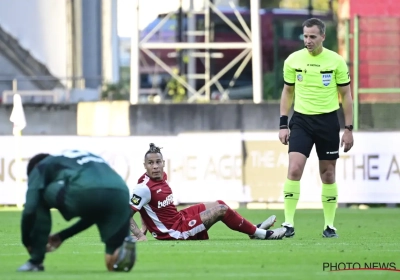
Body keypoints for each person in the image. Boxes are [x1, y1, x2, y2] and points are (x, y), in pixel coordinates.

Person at [278, 18, 354, 238]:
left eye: (312, 36)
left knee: (328, 174)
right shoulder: (293, 60)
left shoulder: (336, 61)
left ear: (322, 37)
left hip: (328, 121)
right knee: (294, 168)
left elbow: (346, 96)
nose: (308, 41)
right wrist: (283, 124)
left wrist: (348, 128)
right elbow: (287, 92)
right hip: (301, 121)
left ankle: (329, 226)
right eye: (305, 36)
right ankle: (288, 223)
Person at [129, 143, 287, 241]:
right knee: (221, 211)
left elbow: (147, 207)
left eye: (158, 162)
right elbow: (125, 214)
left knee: (220, 203)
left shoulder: (162, 176)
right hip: (175, 232)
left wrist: (146, 227)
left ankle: (253, 229)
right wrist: (140, 235)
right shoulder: (143, 187)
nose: (155, 166)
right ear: (145, 165)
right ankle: (263, 234)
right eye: (151, 163)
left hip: (179, 218)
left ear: (163, 163)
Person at [17, 150, 136, 272]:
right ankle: (122, 249)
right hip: (120, 192)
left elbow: (30, 209)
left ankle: (35, 261)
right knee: (113, 263)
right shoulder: (76, 158)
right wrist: (63, 235)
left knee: (40, 196)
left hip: (85, 191)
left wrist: (27, 242)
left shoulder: (40, 166)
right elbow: (94, 213)